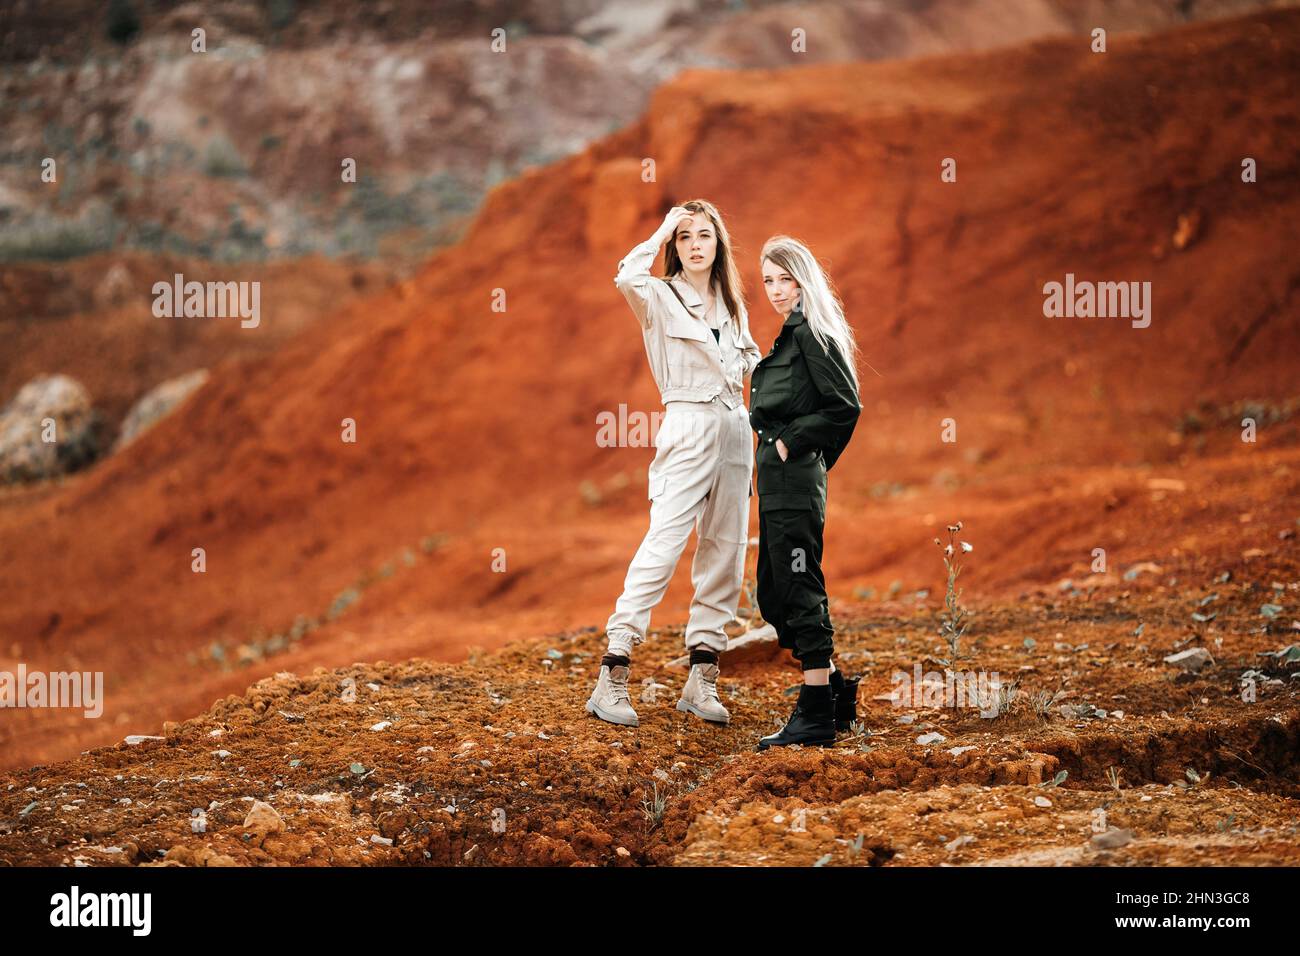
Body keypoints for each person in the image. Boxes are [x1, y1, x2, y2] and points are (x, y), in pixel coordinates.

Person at [586, 200, 761, 728]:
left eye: (704, 235)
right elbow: (625, 276)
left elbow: (749, 362)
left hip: (735, 428)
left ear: (718, 243)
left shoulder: (733, 306)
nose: (694, 245)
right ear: (673, 246)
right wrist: (663, 226)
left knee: (726, 549)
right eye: (685, 238)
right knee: (663, 543)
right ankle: (613, 673)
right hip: (686, 423)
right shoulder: (658, 297)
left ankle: (702, 677)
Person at [749, 236, 862, 750]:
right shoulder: (790, 335)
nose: (776, 289)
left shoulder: (813, 334)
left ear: (804, 279)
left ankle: (815, 712)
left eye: (785, 278)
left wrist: (797, 448)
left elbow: (845, 407)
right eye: (768, 280)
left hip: (792, 483)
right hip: (780, 484)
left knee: (798, 586)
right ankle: (837, 692)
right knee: (773, 593)